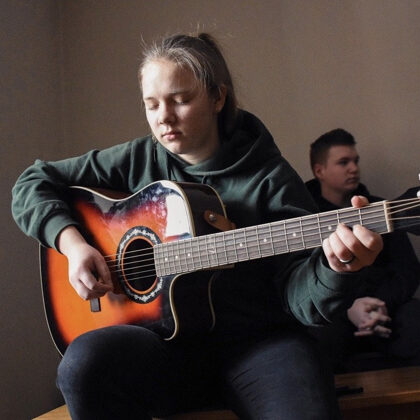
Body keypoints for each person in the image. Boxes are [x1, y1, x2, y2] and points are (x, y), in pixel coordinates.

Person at [12, 34, 383, 420]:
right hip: (163, 349)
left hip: (259, 347)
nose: (164, 117)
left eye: (180, 100)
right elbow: (32, 182)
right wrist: (72, 245)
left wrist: (338, 267)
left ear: (217, 97)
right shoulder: (138, 158)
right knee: (83, 364)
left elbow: (302, 298)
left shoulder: (270, 178)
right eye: (152, 104)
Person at [306, 128, 420, 373]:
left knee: (415, 319)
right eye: (343, 162)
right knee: (314, 336)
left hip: (386, 308)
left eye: (355, 161)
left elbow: (407, 270)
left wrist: (379, 305)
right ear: (319, 171)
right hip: (334, 313)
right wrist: (349, 309)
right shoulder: (302, 216)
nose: (353, 168)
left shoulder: (381, 208)